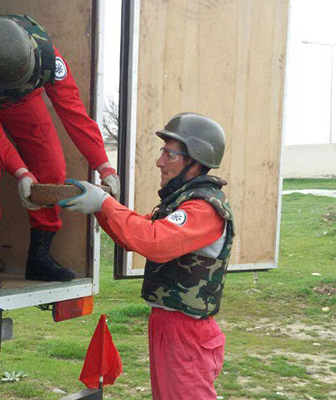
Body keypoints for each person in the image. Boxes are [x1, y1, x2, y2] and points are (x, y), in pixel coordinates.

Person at [58, 113, 235, 400]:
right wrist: (102, 208)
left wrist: (104, 203)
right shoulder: (183, 202)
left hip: (187, 330)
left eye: (170, 153)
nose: (160, 161)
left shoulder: (204, 208)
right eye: (162, 152)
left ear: (195, 160)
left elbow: (153, 241)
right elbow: (138, 231)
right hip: (170, 323)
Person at [0, 14, 119, 289]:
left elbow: (73, 111)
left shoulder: (45, 54)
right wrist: (20, 170)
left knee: (52, 166)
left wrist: (104, 165)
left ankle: (39, 257)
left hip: (22, 98)